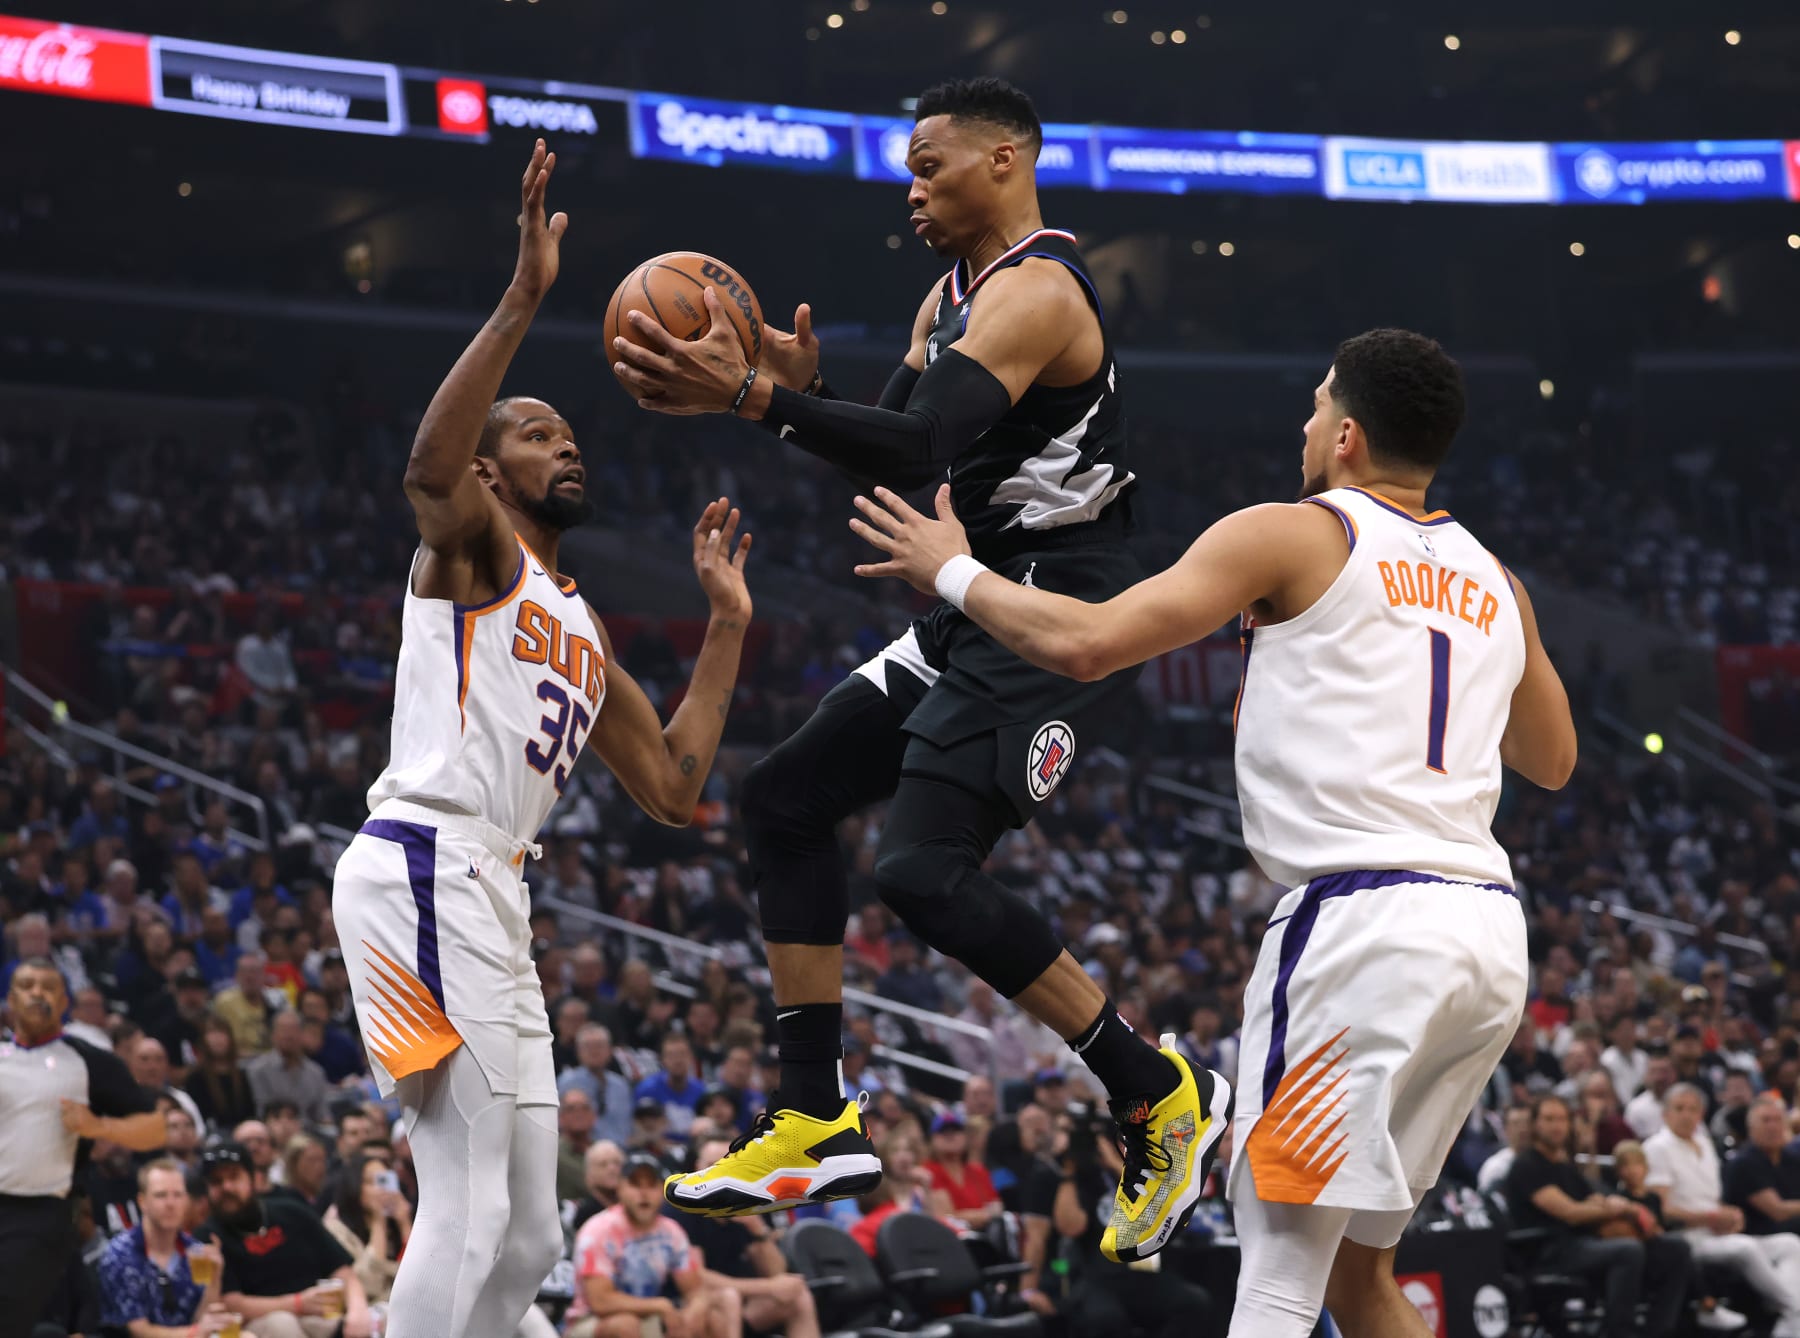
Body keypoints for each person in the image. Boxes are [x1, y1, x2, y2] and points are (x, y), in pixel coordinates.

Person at [848, 327, 1579, 1334]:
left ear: (1351, 435)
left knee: (1276, 1261)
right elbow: (1553, 759)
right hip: (1488, 936)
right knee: (1361, 1282)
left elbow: (1092, 644)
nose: (1306, 421)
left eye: (1319, 403)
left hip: (1360, 922)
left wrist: (954, 571)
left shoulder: (1294, 532)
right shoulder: (1498, 578)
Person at [637, 77, 1221, 1263]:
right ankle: (812, 1114)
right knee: (780, 798)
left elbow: (915, 442)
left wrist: (760, 398)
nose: (910, 190)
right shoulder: (949, 297)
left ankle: (1154, 1086)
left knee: (918, 869)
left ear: (1005, 160)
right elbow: (895, 470)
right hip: (968, 595)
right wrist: (797, 392)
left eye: (930, 166)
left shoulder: (1040, 292)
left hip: (1054, 609)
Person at [328, 140, 753, 1338]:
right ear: (489, 469)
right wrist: (524, 297)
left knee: (528, 1232)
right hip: (423, 860)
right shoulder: (471, 554)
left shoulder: (574, 617)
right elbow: (423, 468)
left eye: (572, 433)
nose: (567, 443)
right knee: (461, 1198)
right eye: (537, 432)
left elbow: (673, 784)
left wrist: (725, 627)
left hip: (492, 892)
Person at [0, 959, 167, 1324]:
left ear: (64, 1002)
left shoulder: (88, 1062)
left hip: (42, 1211)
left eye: (48, 987)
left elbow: (156, 1129)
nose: (37, 994)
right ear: (11, 999)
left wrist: (100, 1126)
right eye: (27, 986)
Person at [1504, 1097, 1695, 1338]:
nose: (1557, 1126)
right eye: (1549, 1119)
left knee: (1675, 1248)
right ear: (1534, 1124)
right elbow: (1570, 1213)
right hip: (1550, 1251)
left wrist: (1621, 1207)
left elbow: (1596, 1199)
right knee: (1627, 1250)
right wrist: (1623, 1210)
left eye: (1562, 1119)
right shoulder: (1527, 1166)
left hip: (1585, 1243)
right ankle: (1620, 1332)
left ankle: (1658, 1331)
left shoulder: (1565, 1166)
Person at [1644, 1085, 1800, 1333]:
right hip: (1687, 1238)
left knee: (1789, 1243)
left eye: (1693, 1109)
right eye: (1679, 1108)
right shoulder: (1657, 1147)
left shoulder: (1705, 1144)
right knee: (1745, 1248)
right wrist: (1711, 1217)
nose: (1686, 1115)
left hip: (1719, 1231)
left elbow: (1714, 1199)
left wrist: (1731, 1214)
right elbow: (1661, 1210)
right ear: (1665, 1114)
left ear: (1701, 1114)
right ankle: (1794, 1310)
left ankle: (1789, 1318)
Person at [198, 1141, 374, 1338]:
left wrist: (358, 1310)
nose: (226, 1187)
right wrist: (297, 1304)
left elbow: (342, 1270)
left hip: (316, 1312)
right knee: (282, 1325)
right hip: (258, 1324)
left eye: (234, 1177)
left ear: (253, 1179)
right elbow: (230, 1303)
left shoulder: (292, 1211)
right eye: (216, 1182)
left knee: (360, 1321)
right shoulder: (208, 1236)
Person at [565, 1151, 736, 1338]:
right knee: (625, 1325)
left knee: (712, 1318)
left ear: (662, 1190)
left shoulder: (671, 1231)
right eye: (635, 1184)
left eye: (651, 1185)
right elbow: (601, 1302)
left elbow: (695, 1289)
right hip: (589, 1321)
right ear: (620, 1188)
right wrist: (660, 1306)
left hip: (648, 1316)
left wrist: (695, 1310)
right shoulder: (598, 1230)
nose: (644, 1194)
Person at [681, 1136, 822, 1338]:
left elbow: (776, 1271)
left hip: (746, 1302)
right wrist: (769, 1287)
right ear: (697, 1168)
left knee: (798, 1296)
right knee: (728, 1301)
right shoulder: (685, 1208)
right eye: (711, 1166)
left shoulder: (747, 1203)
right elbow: (698, 1278)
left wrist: (758, 1230)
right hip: (706, 1303)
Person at [97, 1157, 238, 1337]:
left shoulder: (195, 1251)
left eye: (178, 1195)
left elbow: (204, 1320)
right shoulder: (119, 1254)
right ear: (142, 1202)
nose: (171, 1204)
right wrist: (194, 1333)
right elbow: (138, 1330)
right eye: (161, 1195)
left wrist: (215, 1279)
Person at [321, 1151, 413, 1305]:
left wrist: (405, 1223)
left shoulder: (398, 1223)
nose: (381, 1190)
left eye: (385, 1182)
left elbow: (421, 1275)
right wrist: (378, 1223)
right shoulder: (335, 1229)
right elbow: (369, 1285)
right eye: (371, 1182)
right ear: (354, 1185)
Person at [1725, 1096, 1800, 1235]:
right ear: (1751, 1127)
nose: (1772, 1126)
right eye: (1766, 1120)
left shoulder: (1792, 1159)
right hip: (1755, 1235)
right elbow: (1778, 1211)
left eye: (1778, 1120)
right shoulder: (1744, 1162)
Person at [244, 1011, 330, 1126]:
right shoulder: (257, 1070)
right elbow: (261, 1113)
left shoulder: (316, 1073)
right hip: (271, 1132)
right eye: (283, 1030)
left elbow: (322, 1115)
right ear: (273, 1035)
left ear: (302, 1034)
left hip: (309, 1135)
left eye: (293, 1030)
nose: (288, 1035)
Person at [921, 1110, 1003, 1227]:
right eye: (943, 1131)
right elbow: (945, 1217)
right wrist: (984, 1215)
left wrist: (963, 1215)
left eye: (956, 1130)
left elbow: (997, 1208)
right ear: (932, 1140)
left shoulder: (979, 1171)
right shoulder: (928, 1171)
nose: (950, 1135)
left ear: (965, 1137)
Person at [558, 1023, 634, 1147]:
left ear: (610, 1050)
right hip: (582, 1152)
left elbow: (628, 1127)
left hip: (621, 1153)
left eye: (599, 1045)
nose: (594, 1051)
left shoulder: (621, 1085)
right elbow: (560, 1125)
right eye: (588, 1046)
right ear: (578, 1051)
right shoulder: (567, 1082)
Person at [186, 1015, 259, 1131]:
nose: (217, 1039)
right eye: (212, 1033)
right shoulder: (195, 1079)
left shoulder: (243, 1075)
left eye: (222, 1033)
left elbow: (251, 1112)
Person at [1478, 1104, 1532, 1194]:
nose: (1523, 1129)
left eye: (1527, 1123)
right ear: (1505, 1129)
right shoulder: (1496, 1167)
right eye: (1516, 1123)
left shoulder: (1546, 1159)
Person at [571, 1140, 625, 1230]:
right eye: (603, 1164)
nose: (612, 1169)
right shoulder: (584, 1215)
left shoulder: (633, 1208)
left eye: (617, 1163)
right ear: (589, 1175)